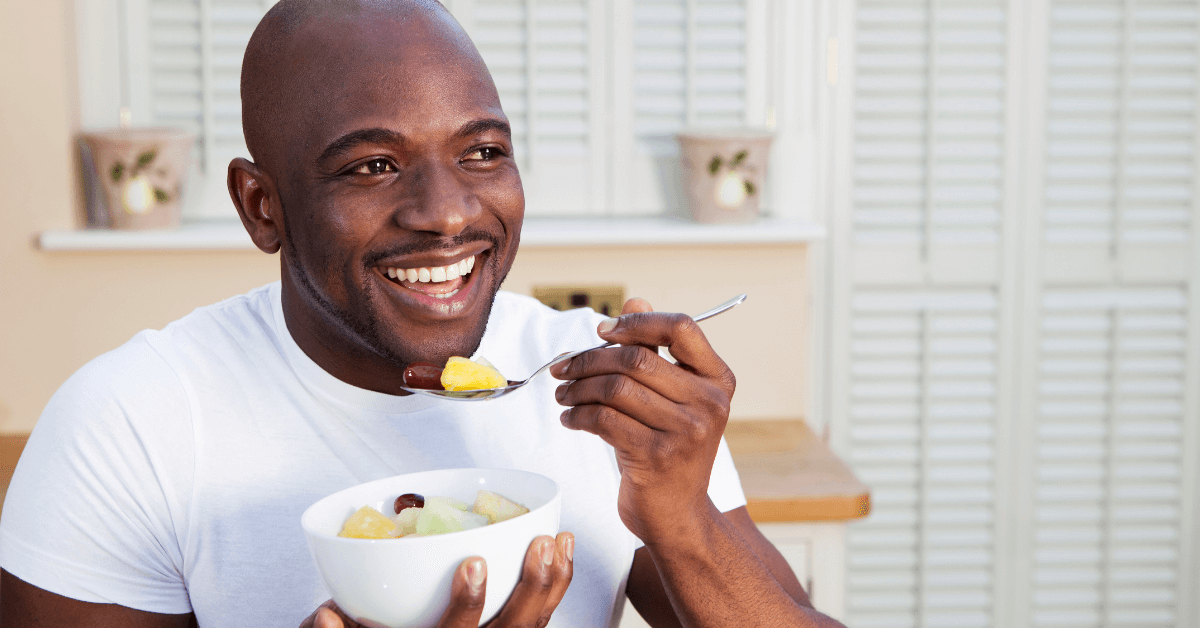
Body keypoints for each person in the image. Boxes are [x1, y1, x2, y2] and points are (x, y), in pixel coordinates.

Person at [0, 1, 845, 627]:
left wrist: (684, 516)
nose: (446, 213)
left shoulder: (599, 394)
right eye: (371, 166)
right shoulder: (129, 424)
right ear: (263, 207)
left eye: (482, 152)